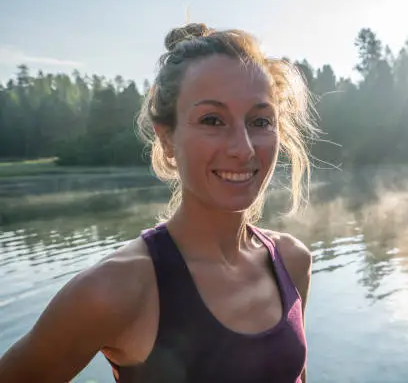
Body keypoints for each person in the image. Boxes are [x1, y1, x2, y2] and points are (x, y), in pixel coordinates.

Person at [0, 22, 319, 383]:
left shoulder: (292, 261)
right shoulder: (116, 289)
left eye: (260, 121)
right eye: (212, 120)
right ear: (167, 139)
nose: (243, 148)